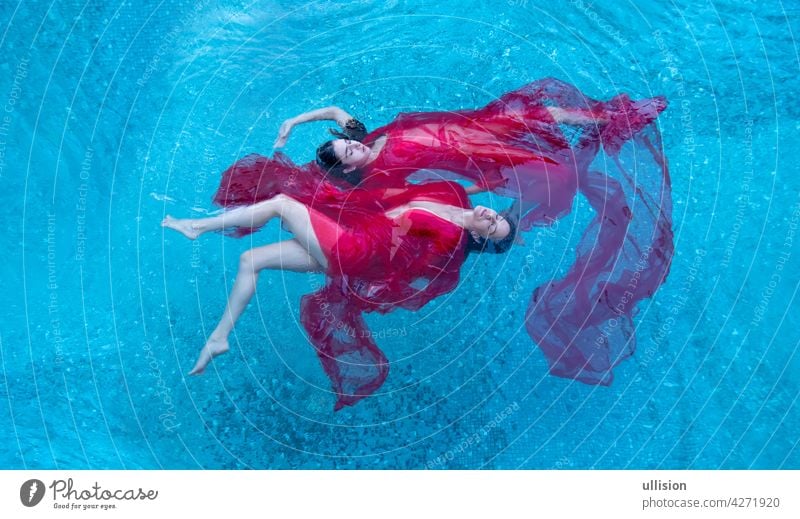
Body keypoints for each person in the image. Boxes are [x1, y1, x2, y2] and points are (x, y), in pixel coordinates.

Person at [213, 77, 673, 391]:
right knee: (539, 168)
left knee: (532, 113)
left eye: (347, 140)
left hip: (465, 127)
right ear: (346, 168)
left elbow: (336, 110)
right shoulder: (375, 183)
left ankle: (610, 117)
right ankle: (534, 205)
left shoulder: (364, 135)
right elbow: (402, 208)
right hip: (466, 155)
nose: (352, 144)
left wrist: (294, 122)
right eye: (345, 151)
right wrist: (471, 196)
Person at [163, 179, 516, 410]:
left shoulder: (450, 244)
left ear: (482, 239)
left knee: (282, 203)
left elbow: (410, 270)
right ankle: (219, 338)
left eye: (491, 226)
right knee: (251, 260)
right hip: (352, 235)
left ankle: (196, 227)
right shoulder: (457, 196)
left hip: (354, 249)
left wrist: (371, 269)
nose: (488, 215)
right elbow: (406, 194)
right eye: (495, 215)